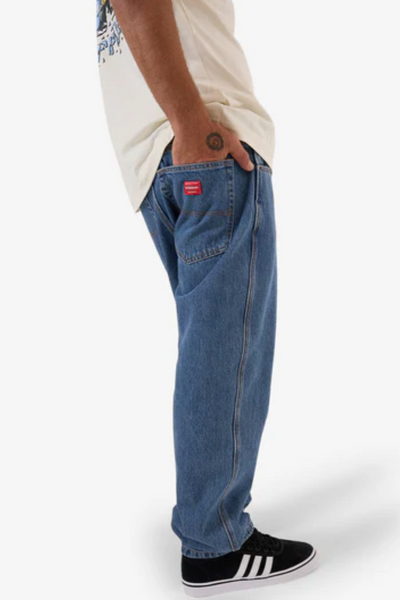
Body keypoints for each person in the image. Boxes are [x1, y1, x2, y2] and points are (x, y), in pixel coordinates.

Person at [97, 0, 318, 595]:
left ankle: (208, 524)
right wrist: (195, 124)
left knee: (209, 344)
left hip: (161, 157)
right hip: (207, 143)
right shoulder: (199, 130)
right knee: (226, 350)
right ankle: (215, 541)